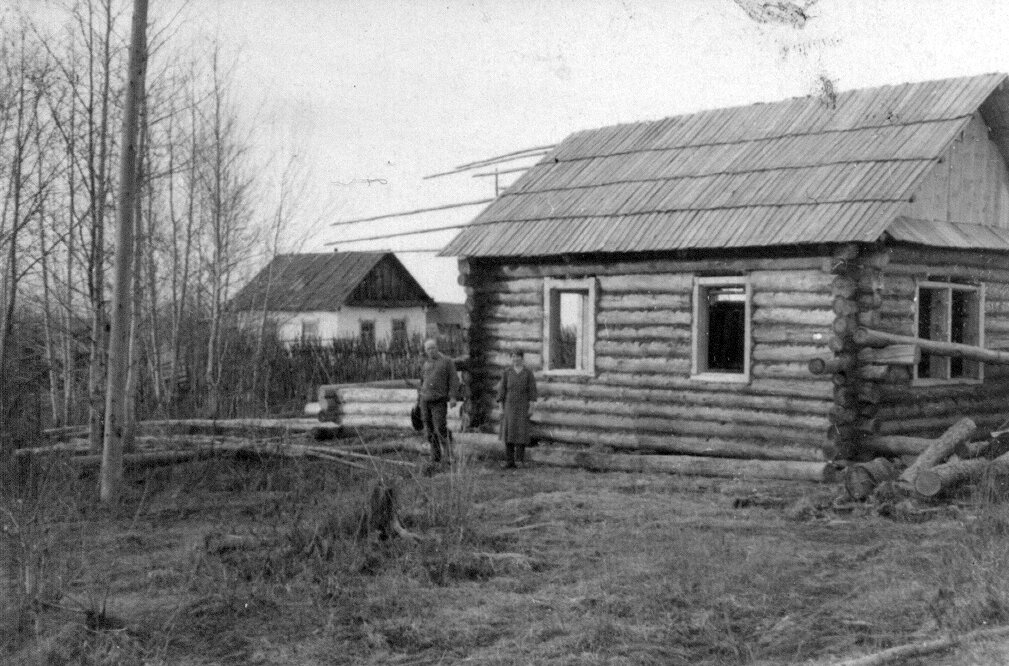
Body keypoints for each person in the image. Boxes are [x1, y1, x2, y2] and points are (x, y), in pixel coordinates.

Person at [418, 338, 459, 466]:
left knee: (440, 427)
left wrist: (453, 397)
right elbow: (422, 382)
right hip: (425, 400)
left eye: (433, 348)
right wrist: (418, 400)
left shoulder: (447, 362)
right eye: (428, 349)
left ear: (437, 347)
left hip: (439, 400)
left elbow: (454, 380)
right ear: (425, 351)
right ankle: (435, 457)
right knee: (429, 430)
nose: (431, 351)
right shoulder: (425, 363)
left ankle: (449, 456)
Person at [498, 350, 537, 469]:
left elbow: (532, 391)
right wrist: (501, 408)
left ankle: (519, 461)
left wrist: (531, 407)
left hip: (522, 406)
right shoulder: (507, 372)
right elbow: (501, 392)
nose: (516, 359)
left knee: (521, 432)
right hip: (509, 406)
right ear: (511, 358)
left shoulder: (528, 373)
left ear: (522, 358)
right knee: (508, 432)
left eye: (518, 357)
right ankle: (510, 461)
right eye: (513, 357)